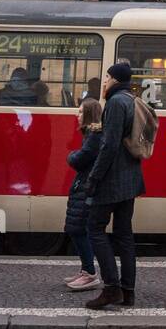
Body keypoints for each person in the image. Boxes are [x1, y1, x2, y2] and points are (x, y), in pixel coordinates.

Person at [81, 62, 146, 310]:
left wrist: (94, 178)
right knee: (124, 235)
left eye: (107, 77)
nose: (105, 81)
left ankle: (111, 289)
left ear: (115, 79)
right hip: (130, 177)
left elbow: (109, 146)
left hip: (113, 179)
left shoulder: (116, 103)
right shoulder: (132, 99)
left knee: (95, 228)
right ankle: (128, 292)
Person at [63, 98, 103, 292]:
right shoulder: (91, 134)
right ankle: (86, 269)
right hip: (84, 186)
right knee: (77, 228)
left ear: (88, 114)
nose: (76, 115)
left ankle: (90, 273)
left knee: (78, 228)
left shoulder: (94, 135)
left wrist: (71, 156)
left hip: (86, 188)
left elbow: (80, 159)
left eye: (80, 112)